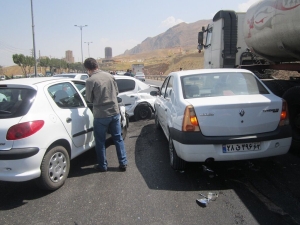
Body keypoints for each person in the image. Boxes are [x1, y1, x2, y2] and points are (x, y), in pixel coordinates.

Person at [84, 58, 128, 172]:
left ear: (88, 69)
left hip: (101, 115)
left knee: (100, 141)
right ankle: (123, 163)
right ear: (97, 65)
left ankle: (103, 166)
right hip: (114, 112)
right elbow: (117, 92)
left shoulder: (90, 80)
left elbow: (89, 98)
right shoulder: (110, 76)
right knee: (118, 138)